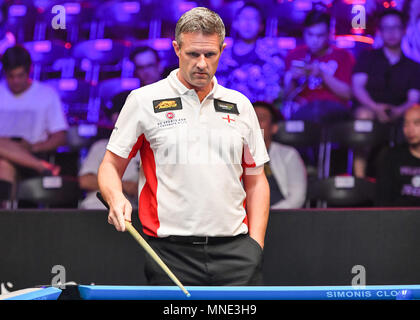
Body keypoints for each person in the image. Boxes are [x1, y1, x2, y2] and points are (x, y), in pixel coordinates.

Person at [98, 7, 270, 286]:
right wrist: (115, 197)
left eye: (210, 54)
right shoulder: (144, 101)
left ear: (222, 50)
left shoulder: (240, 105)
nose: (201, 63)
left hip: (237, 254)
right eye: (193, 54)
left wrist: (255, 245)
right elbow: (110, 165)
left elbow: (256, 180)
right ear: (177, 49)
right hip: (170, 254)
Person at [352, 8, 420, 177]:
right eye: (386, 28)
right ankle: (359, 178)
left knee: (415, 118)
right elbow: (357, 87)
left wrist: (398, 112)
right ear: (380, 32)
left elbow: (413, 99)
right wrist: (375, 108)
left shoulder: (413, 66)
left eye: (396, 27)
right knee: (363, 116)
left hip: (401, 114)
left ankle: (407, 179)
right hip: (371, 109)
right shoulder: (367, 58)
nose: (391, 33)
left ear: (404, 30)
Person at [0, 46, 67, 196]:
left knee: (4, 163)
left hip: (33, 152)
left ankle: (5, 217)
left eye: (20, 75)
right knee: (4, 161)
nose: (16, 81)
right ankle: (42, 167)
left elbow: (60, 137)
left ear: (29, 71)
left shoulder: (47, 95)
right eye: (11, 76)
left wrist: (34, 148)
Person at [284, 10, 354, 123]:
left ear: (328, 35)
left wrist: (322, 74)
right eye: (310, 34)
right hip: (302, 109)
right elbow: (286, 98)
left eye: (320, 35)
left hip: (334, 110)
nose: (314, 40)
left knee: (317, 112)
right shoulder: (295, 55)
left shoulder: (343, 56)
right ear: (304, 33)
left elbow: (347, 94)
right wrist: (292, 78)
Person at [216, 2, 285, 103]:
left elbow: (274, 92)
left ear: (261, 25)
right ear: (235, 23)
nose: (247, 24)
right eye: (244, 18)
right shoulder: (221, 55)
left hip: (258, 112)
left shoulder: (271, 56)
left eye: (253, 19)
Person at [78, 105, 139, 210]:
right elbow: (85, 181)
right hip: (95, 209)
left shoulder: (149, 150)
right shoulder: (101, 146)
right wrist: (123, 185)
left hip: (131, 212)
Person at [253, 101, 307, 209]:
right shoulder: (236, 154)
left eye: (261, 119)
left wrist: (267, 214)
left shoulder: (288, 155)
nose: (255, 123)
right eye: (251, 118)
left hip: (281, 215)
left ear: (274, 128)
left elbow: (297, 197)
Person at [375, 104, 420, 206]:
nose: (410, 129)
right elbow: (382, 201)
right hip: (398, 218)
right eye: (406, 124)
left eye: (417, 123)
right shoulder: (391, 157)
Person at [110, 46, 164, 115]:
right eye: (140, 67)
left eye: (150, 66)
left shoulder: (175, 93)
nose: (146, 72)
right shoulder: (125, 100)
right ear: (135, 71)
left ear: (160, 66)